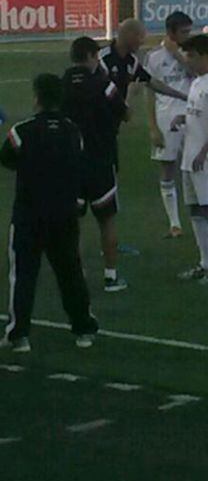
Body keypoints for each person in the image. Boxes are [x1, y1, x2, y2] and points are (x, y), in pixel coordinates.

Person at [0, 74, 98, 353]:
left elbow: (6, 158)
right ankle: (83, 329)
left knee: (23, 276)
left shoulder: (23, 130)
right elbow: (80, 166)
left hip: (29, 214)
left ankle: (19, 335)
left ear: (37, 98)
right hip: (64, 213)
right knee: (71, 273)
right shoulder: (72, 131)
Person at [98, 18, 188, 254]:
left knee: (108, 186)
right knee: (97, 190)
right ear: (127, 35)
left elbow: (151, 82)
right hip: (94, 132)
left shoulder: (132, 62)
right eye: (140, 36)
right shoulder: (102, 58)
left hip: (109, 133)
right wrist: (126, 105)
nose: (142, 40)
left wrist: (182, 95)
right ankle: (103, 245)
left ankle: (109, 243)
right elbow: (104, 94)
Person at [63, 37, 130, 292]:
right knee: (107, 220)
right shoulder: (103, 84)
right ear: (92, 55)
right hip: (101, 159)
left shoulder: (62, 85)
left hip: (71, 164)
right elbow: (125, 113)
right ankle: (111, 276)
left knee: (73, 223)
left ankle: (76, 276)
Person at [171, 35, 208, 284]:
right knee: (195, 210)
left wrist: (205, 151)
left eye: (190, 55)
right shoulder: (196, 83)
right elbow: (200, 115)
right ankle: (204, 263)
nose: (187, 60)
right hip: (190, 159)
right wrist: (182, 119)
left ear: (203, 55)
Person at [144, 11, 193, 238]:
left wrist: (179, 56)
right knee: (167, 168)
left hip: (193, 115)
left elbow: (201, 73)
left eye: (188, 31)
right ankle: (174, 223)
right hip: (166, 118)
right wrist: (153, 127)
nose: (187, 35)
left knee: (194, 166)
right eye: (183, 32)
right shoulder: (153, 57)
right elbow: (150, 92)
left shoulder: (194, 52)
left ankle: (198, 215)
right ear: (170, 32)